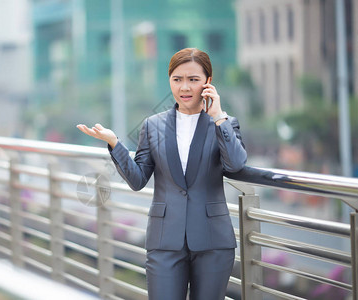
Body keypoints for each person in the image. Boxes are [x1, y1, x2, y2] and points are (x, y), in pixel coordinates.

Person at [77, 48, 247, 300]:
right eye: (177, 79)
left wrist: (218, 117)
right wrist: (114, 143)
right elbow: (137, 179)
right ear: (169, 81)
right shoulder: (153, 125)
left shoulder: (224, 123)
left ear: (208, 82)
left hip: (213, 242)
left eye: (193, 79)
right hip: (165, 240)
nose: (184, 87)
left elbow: (236, 165)